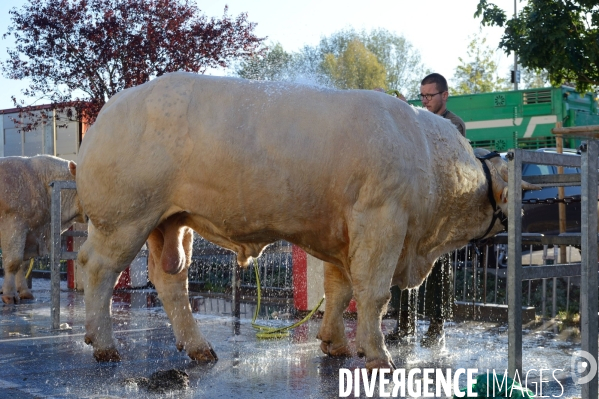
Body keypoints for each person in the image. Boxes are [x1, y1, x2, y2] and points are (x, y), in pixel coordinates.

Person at [387, 73, 466, 348]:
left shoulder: (453, 124)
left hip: (441, 213)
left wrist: (409, 113)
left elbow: (434, 145)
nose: (425, 101)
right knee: (405, 264)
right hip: (418, 207)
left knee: (438, 270)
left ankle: (436, 326)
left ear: (444, 95)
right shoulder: (419, 117)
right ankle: (404, 325)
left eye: (429, 96)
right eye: (421, 96)